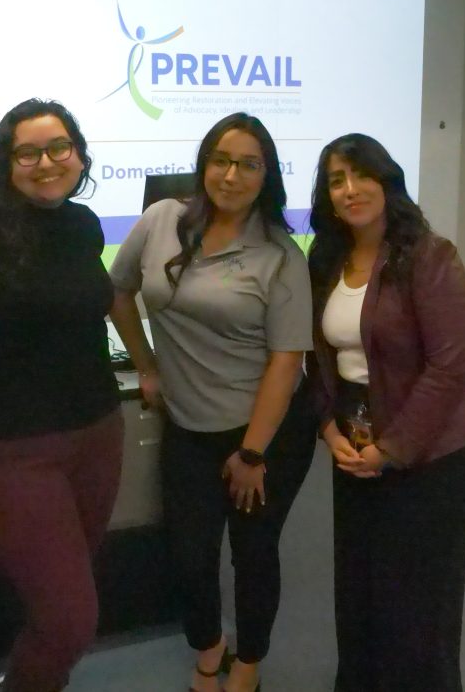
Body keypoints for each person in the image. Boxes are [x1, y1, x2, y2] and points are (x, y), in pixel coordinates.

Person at [109, 113, 315, 692]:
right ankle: (209, 649)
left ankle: (247, 664)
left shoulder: (280, 256)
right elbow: (119, 290)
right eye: (221, 160)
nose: (232, 175)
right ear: (204, 164)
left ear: (266, 175)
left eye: (249, 164)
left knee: (253, 555)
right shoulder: (162, 220)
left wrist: (251, 454)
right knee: (189, 557)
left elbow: (286, 361)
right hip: (188, 425)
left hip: (265, 433)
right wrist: (146, 365)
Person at [0, 99, 122, 692]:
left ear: (78, 154)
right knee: (69, 618)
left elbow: (95, 308)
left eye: (59, 147)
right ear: (6, 163)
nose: (46, 162)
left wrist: (149, 367)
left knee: (59, 605)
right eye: (27, 152)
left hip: (97, 436)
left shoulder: (84, 224)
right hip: (16, 453)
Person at [306, 133, 465, 692]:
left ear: (387, 183)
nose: (350, 190)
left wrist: (392, 450)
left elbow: (449, 368)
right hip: (356, 444)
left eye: (362, 175)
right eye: (336, 180)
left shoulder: (429, 257)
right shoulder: (327, 259)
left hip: (434, 454)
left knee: (417, 604)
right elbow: (320, 357)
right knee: (360, 589)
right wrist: (327, 426)